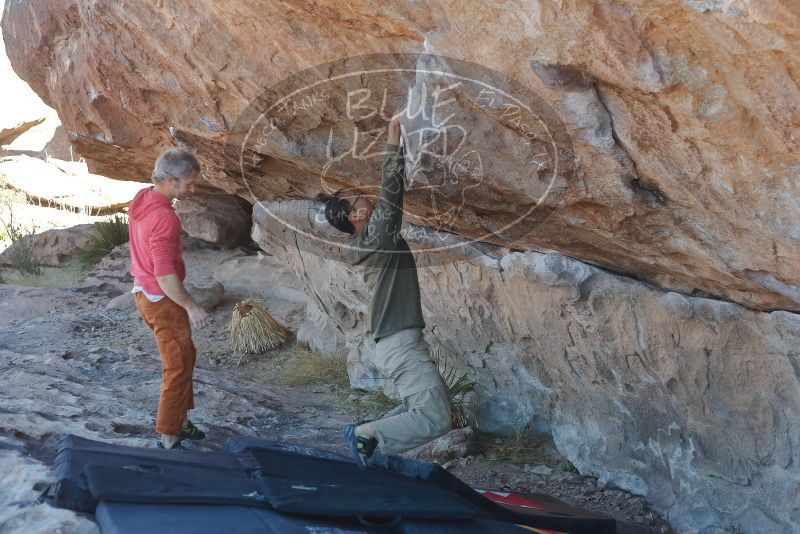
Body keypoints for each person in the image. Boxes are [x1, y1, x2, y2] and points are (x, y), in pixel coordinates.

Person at [324, 115, 452, 467]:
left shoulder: (368, 242)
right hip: (400, 344)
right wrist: (394, 143)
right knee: (436, 418)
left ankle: (372, 446)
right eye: (355, 199)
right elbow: (392, 193)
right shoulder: (376, 239)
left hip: (395, 343)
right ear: (354, 216)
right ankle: (367, 435)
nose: (363, 196)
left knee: (426, 409)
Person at [128, 147, 209, 450]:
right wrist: (191, 306)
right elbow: (164, 275)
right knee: (176, 366)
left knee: (186, 356)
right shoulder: (165, 218)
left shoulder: (143, 198)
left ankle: (181, 422)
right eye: (188, 183)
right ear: (171, 181)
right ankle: (169, 436)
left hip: (143, 293)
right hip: (162, 299)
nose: (192, 188)